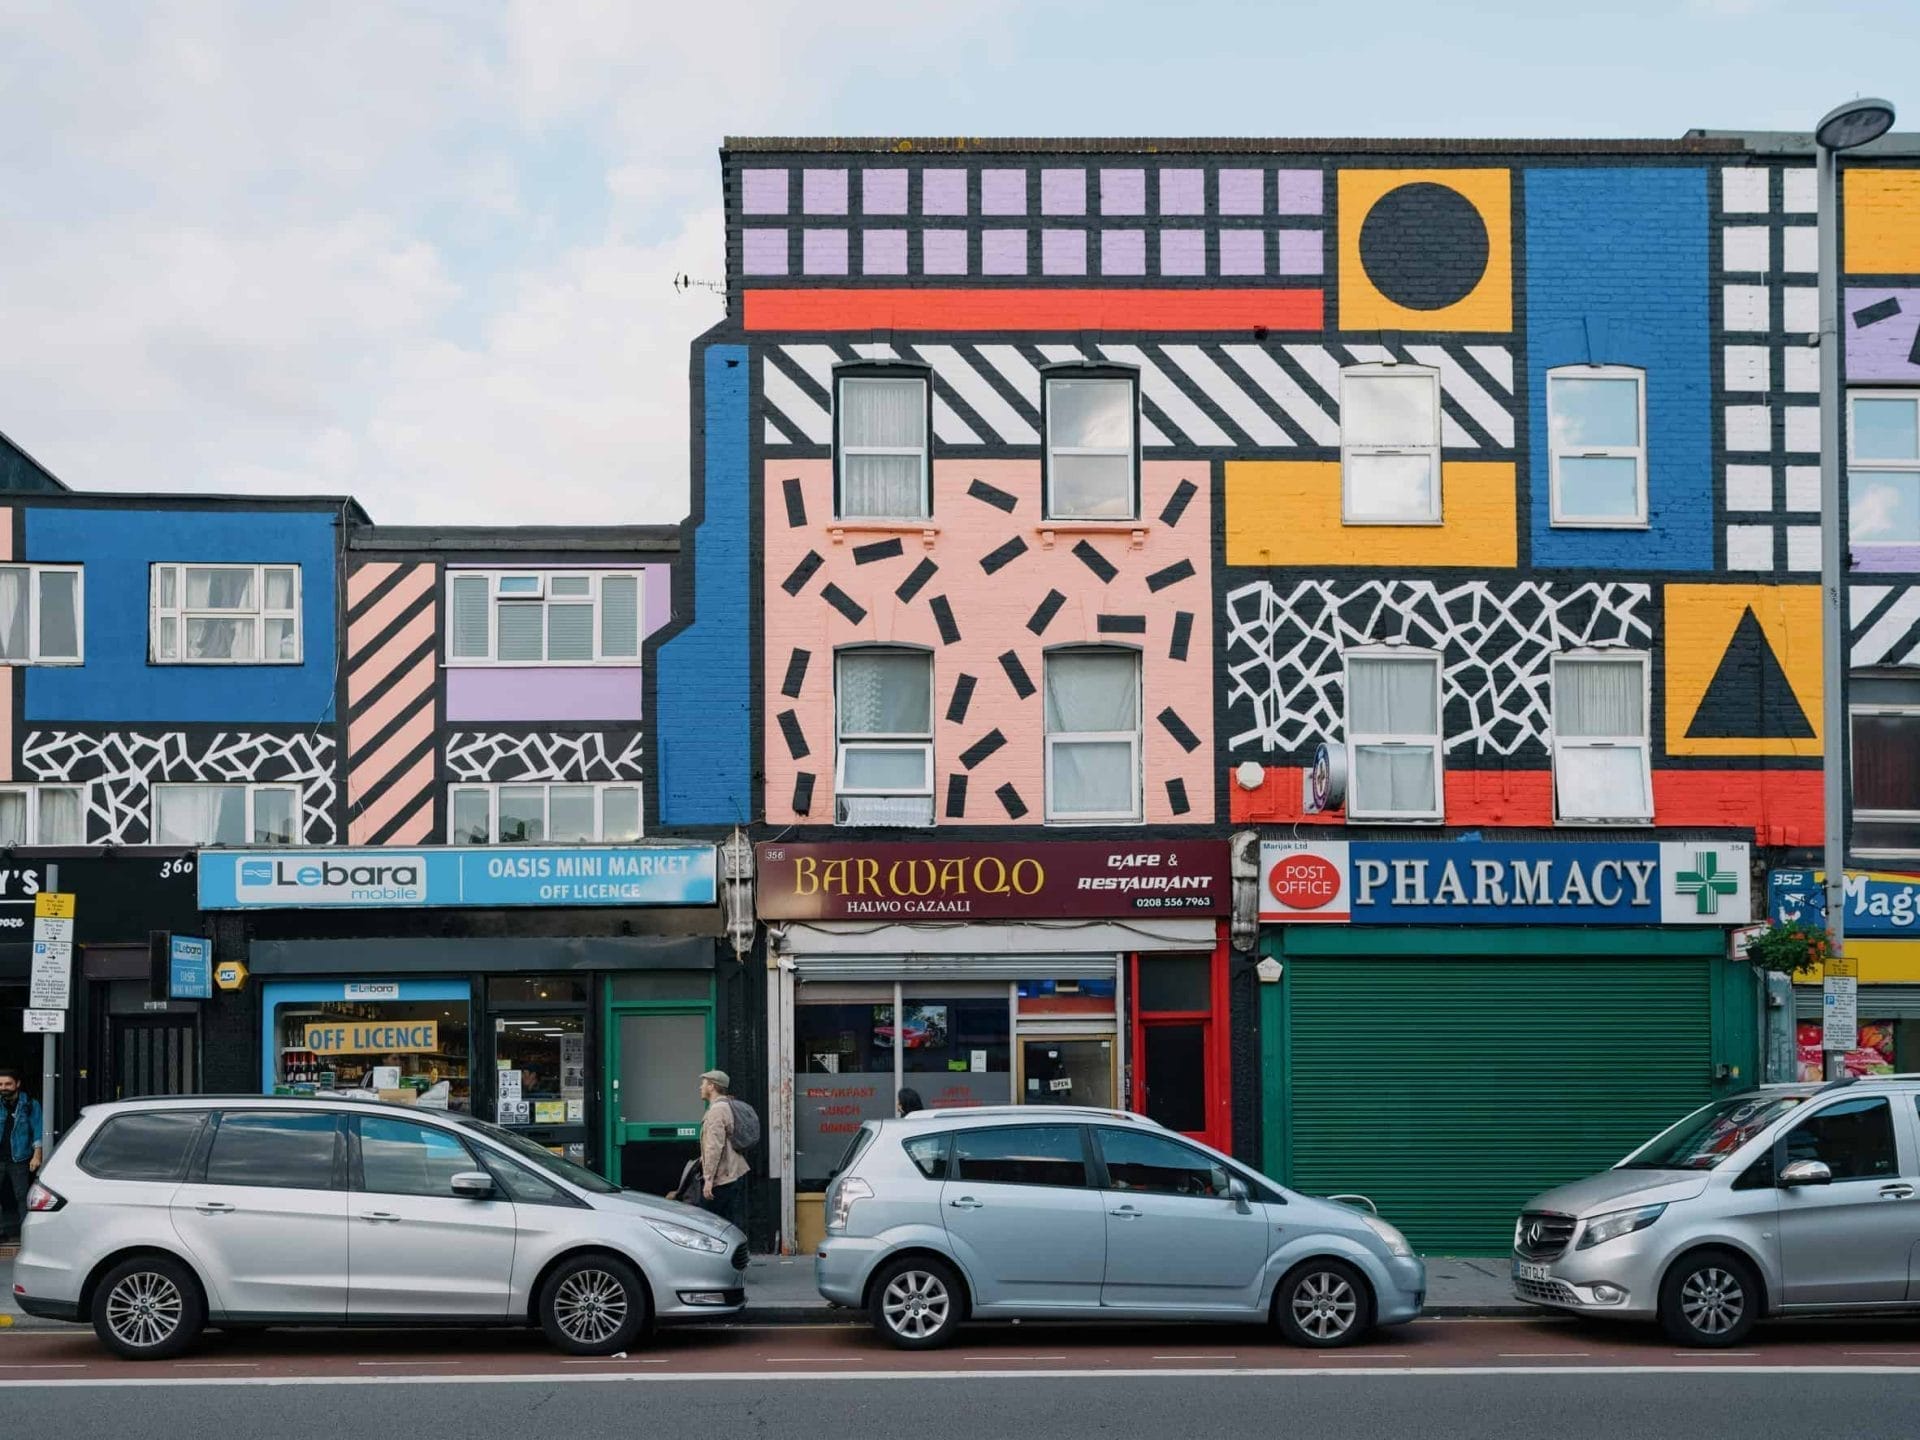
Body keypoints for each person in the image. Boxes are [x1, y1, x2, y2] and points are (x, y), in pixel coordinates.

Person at [696, 1068, 750, 1233]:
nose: (700, 1087)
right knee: (730, 1221)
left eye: (703, 1083)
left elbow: (714, 1146)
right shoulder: (726, 1105)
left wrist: (709, 1179)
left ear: (712, 1086)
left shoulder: (717, 1111)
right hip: (733, 1172)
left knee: (708, 1222)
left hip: (723, 1178)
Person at [0, 1068, 45, 1246]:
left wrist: (37, 1154)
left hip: (19, 1158)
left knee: (23, 1197)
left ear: (17, 1084)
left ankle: (27, 1236)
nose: (3, 1087)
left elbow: (38, 1130)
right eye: (1, 1084)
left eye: (8, 1084)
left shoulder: (30, 1105)